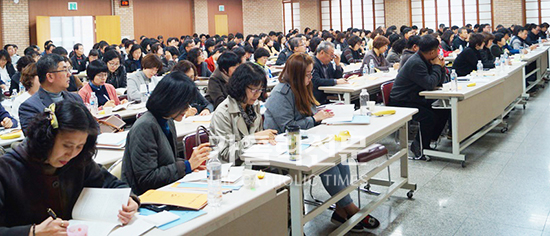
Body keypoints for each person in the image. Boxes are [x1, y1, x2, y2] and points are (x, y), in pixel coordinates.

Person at [263, 53, 380, 232]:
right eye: (308, 75)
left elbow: (311, 112)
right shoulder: (281, 93)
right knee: (327, 163)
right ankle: (350, 209)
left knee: (340, 158)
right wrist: (316, 119)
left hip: (306, 141)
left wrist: (323, 115)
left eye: (311, 74)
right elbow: (289, 128)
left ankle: (341, 209)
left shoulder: (300, 87)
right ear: (296, 74)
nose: (310, 79)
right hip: (284, 149)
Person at [0, 100, 140, 235]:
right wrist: (32, 232)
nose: (71, 153)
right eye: (67, 145)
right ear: (47, 137)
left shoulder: (78, 161)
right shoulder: (6, 169)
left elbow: (111, 183)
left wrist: (130, 200)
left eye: (80, 146)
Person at [122, 72, 211, 195]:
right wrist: (187, 165)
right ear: (171, 101)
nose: (187, 108)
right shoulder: (145, 126)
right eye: (184, 104)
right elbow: (147, 179)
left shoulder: (167, 120)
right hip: (144, 199)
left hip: (165, 190)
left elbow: (167, 160)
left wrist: (190, 165)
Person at [389, 35, 449, 160]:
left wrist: (441, 67)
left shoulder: (426, 59)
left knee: (444, 110)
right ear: (432, 52)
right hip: (402, 100)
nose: (439, 52)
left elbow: (438, 82)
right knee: (429, 117)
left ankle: (427, 141)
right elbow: (429, 84)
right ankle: (418, 146)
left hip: (415, 97)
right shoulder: (416, 62)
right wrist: (437, 67)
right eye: (438, 49)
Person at [210, 62, 276, 165]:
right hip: (231, 170)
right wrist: (253, 138)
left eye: (260, 90)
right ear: (240, 86)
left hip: (254, 163)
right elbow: (224, 154)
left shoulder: (254, 106)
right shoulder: (223, 113)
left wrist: (265, 140)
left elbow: (258, 139)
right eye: (254, 90)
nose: (257, 95)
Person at [19, 54, 83, 134]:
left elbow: (92, 127)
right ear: (50, 76)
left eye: (69, 70)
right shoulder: (30, 107)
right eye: (64, 70)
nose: (69, 74)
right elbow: (36, 140)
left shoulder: (76, 98)